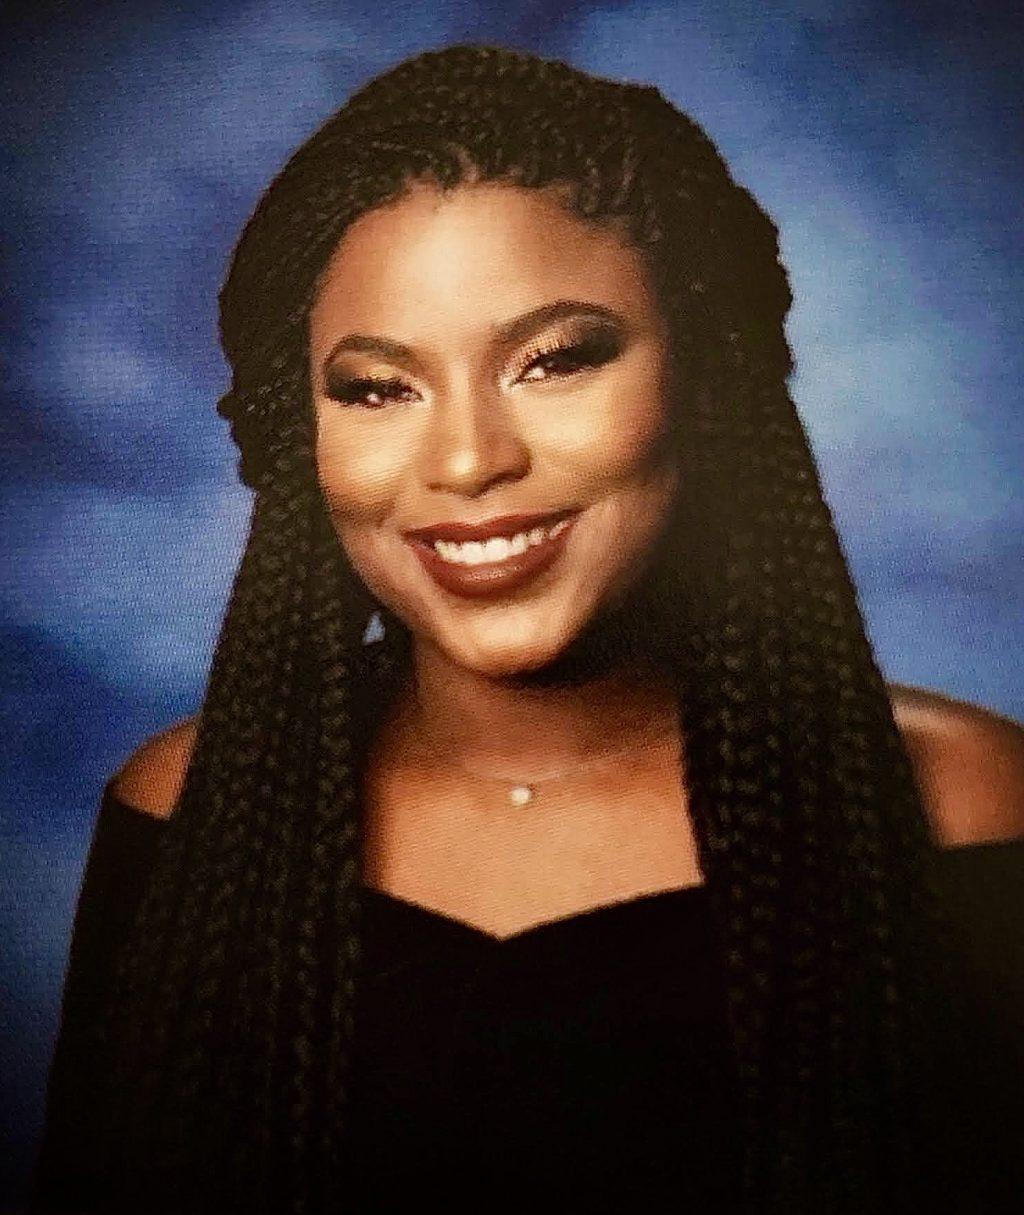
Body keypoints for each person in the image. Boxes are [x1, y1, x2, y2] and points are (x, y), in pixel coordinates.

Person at [31, 43, 1024, 1215]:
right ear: (299, 435)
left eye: (555, 361)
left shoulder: (957, 805)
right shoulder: (192, 807)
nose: (467, 460)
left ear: (705, 377)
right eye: (375, 387)